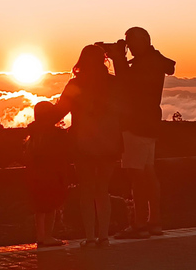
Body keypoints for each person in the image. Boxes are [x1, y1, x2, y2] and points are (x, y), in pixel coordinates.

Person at [105, 27, 175, 239]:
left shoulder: (146, 62)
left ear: (144, 40)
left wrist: (118, 58)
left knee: (137, 175)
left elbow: (125, 83)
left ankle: (140, 223)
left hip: (135, 124)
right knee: (147, 174)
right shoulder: (153, 60)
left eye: (131, 42)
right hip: (149, 124)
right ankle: (154, 221)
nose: (129, 47)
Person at [52, 45, 122, 247]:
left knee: (87, 190)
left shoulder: (76, 84)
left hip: (83, 143)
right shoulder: (113, 83)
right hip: (109, 142)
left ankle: (90, 236)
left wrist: (41, 122)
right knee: (102, 190)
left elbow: (60, 111)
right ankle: (104, 236)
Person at [25, 101, 71, 247]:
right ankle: (48, 236)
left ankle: (40, 235)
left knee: (39, 207)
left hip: (34, 176)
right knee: (51, 206)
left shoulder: (32, 135)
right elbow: (63, 155)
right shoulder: (57, 135)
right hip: (52, 175)